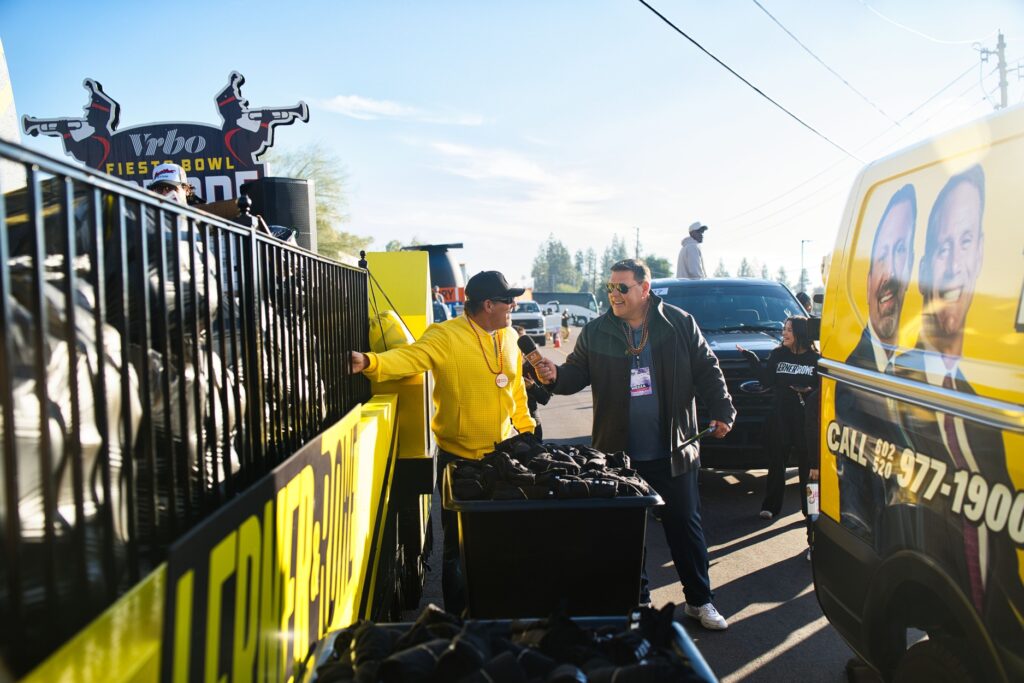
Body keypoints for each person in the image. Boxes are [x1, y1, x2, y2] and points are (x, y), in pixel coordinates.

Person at [535, 258, 735, 630]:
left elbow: (708, 369)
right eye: (610, 288)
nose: (614, 294)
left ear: (644, 289)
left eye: (622, 287)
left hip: (674, 448)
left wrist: (723, 409)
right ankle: (636, 604)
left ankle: (700, 601)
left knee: (685, 529)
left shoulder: (678, 324)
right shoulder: (596, 332)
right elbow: (575, 374)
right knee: (625, 535)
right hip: (617, 454)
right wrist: (555, 375)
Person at [348, 270, 535, 614]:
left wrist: (527, 428)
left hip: (505, 456)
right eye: (508, 300)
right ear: (488, 304)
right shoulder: (445, 336)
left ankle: (494, 612)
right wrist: (371, 362)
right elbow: (410, 358)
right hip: (460, 460)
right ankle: (459, 619)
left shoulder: (508, 336)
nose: (513, 305)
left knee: (502, 540)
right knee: (458, 549)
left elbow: (515, 389)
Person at [893, 166, 1020, 629]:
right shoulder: (895, 377)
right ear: (926, 265)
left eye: (965, 242)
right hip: (925, 612)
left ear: (981, 254)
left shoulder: (982, 404)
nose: (952, 262)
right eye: (942, 246)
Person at [834, 184, 916, 540]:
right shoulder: (854, 373)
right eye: (883, 255)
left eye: (902, 252)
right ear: (866, 279)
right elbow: (854, 496)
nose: (892, 272)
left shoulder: (917, 366)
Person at [736, 316, 819, 541]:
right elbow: (767, 380)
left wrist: (809, 390)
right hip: (781, 417)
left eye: (789, 329)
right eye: (784, 329)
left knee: (810, 470)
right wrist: (752, 359)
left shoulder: (815, 359)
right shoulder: (778, 354)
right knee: (777, 463)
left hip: (806, 422)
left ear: (801, 333)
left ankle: (811, 512)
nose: (784, 333)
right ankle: (771, 506)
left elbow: (823, 389)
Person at [514, 325, 551, 441]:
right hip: (507, 424)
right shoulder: (500, 365)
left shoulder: (534, 365)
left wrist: (531, 387)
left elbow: (545, 398)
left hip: (532, 421)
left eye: (524, 343)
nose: (522, 349)